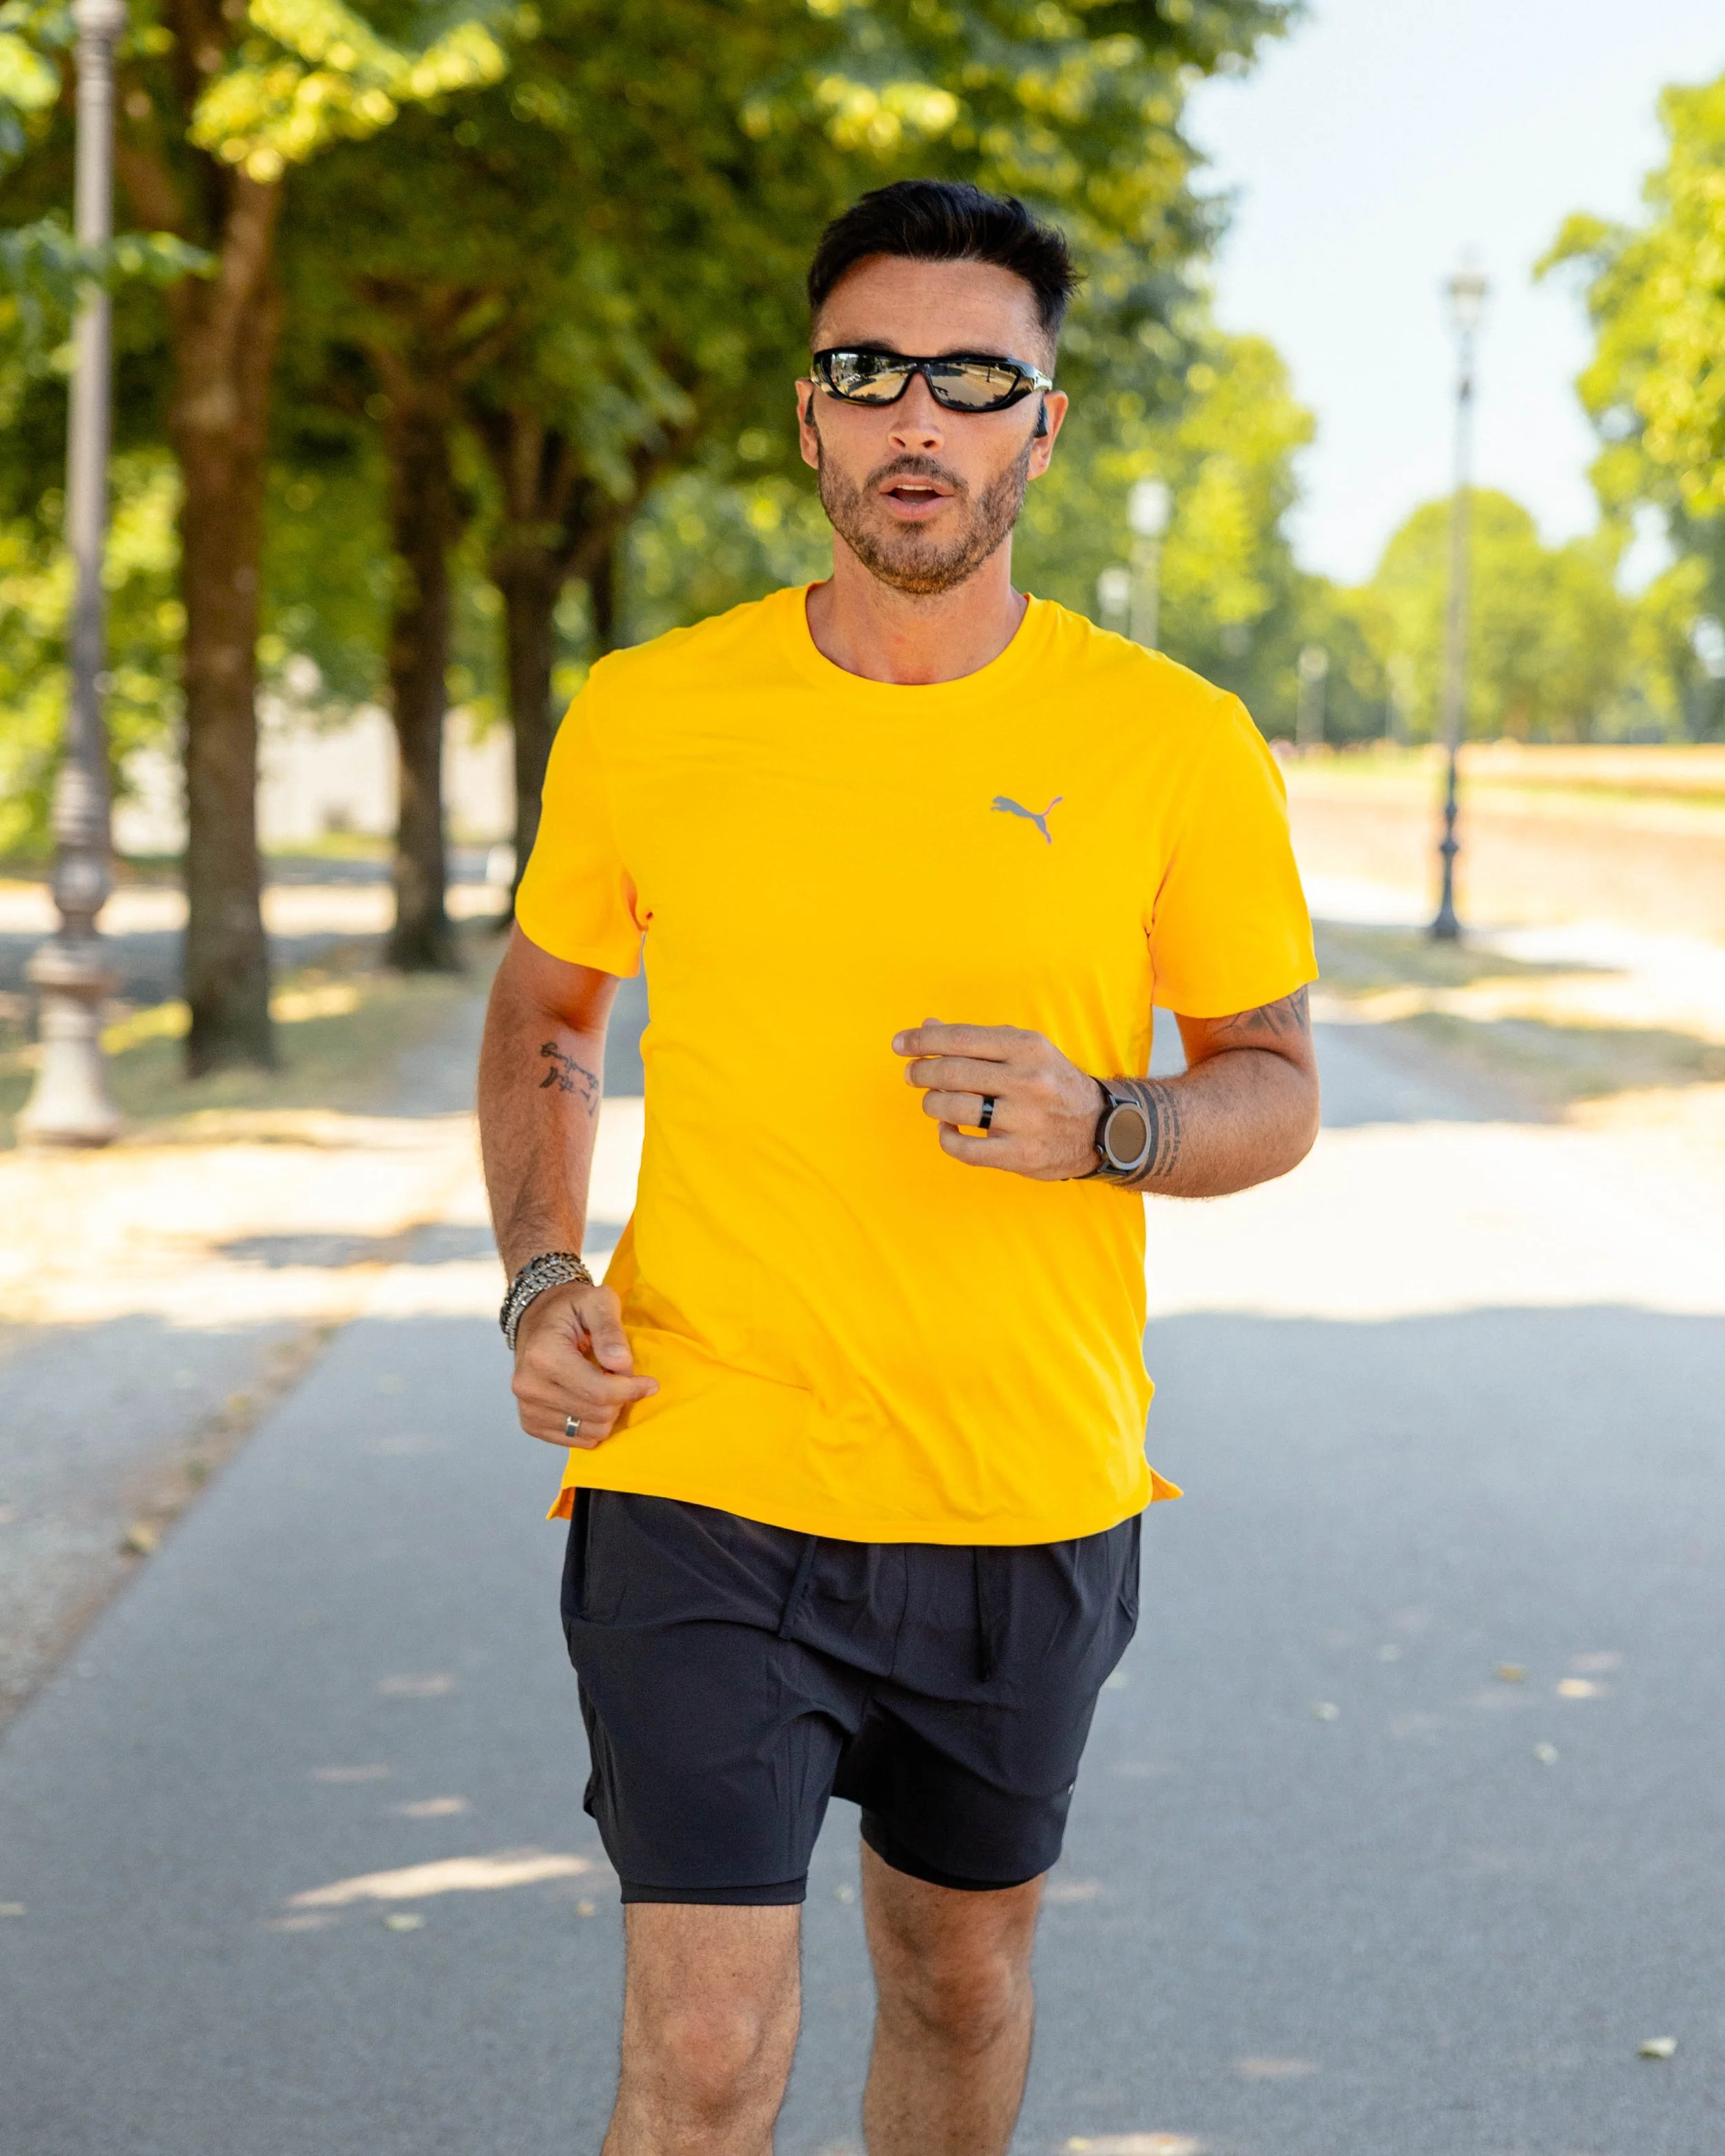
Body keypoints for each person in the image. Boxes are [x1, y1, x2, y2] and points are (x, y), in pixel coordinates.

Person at [477, 177, 1319, 2156]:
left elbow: (1272, 1086)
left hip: (1019, 1483)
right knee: (701, 2046)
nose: (913, 419)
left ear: (1043, 418)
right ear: (808, 416)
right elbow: (549, 1009)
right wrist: (535, 1271)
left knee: (956, 1981)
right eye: (868, 373)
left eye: (969, 377)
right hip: (704, 1463)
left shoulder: (1172, 742)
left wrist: (1108, 1123)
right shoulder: (651, 712)